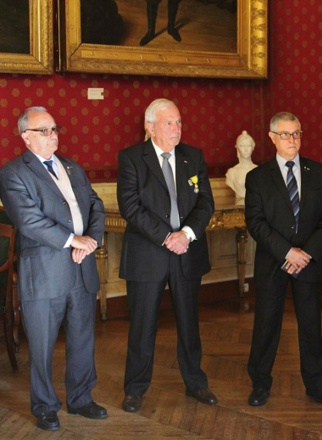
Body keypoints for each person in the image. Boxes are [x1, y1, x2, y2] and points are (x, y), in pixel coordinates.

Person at [0, 107, 107, 431]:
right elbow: (29, 221)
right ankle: (45, 406)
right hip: (44, 273)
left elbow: (96, 205)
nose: (53, 135)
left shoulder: (72, 168)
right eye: (44, 130)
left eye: (54, 128)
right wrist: (74, 241)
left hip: (81, 267)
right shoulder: (13, 173)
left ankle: (81, 398)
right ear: (26, 137)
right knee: (43, 344)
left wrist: (90, 241)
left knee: (83, 337)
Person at [117, 98, 217, 413]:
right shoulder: (132, 158)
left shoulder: (193, 157)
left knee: (189, 323)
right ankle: (135, 389)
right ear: (150, 127)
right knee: (143, 325)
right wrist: (166, 237)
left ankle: (196, 383)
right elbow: (130, 206)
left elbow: (206, 203)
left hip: (186, 252)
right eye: (168, 123)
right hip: (148, 254)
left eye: (179, 122)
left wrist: (185, 235)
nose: (176, 129)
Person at [244, 112, 322, 407]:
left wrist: (305, 253)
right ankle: (260, 384)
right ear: (272, 138)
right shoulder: (257, 177)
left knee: (311, 326)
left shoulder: (319, 173)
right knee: (266, 325)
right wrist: (287, 252)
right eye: (285, 134)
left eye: (296, 133)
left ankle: (316, 384)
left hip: (308, 263)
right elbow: (256, 223)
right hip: (273, 262)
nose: (292, 140)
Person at [225, 130, 257, 205]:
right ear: (237, 148)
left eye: (248, 145)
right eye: (242, 146)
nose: (245, 149)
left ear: (252, 147)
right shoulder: (232, 172)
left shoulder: (258, 171)